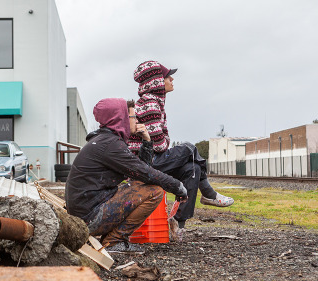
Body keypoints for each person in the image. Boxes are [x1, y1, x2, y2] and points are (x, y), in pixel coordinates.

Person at [65, 98, 188, 254]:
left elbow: (141, 173)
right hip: (89, 219)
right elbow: (147, 173)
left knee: (142, 186)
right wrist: (178, 187)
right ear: (121, 118)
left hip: (87, 212)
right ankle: (113, 242)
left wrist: (147, 141)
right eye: (133, 117)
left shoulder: (105, 141)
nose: (137, 121)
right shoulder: (110, 145)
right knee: (154, 191)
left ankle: (111, 240)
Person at [128, 60, 234, 237]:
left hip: (151, 161)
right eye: (167, 76)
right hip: (145, 164)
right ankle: (208, 193)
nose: (172, 79)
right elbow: (161, 145)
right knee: (189, 148)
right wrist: (166, 141)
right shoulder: (150, 105)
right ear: (156, 82)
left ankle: (178, 222)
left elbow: (161, 142)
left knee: (192, 169)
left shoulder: (154, 103)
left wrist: (165, 140)